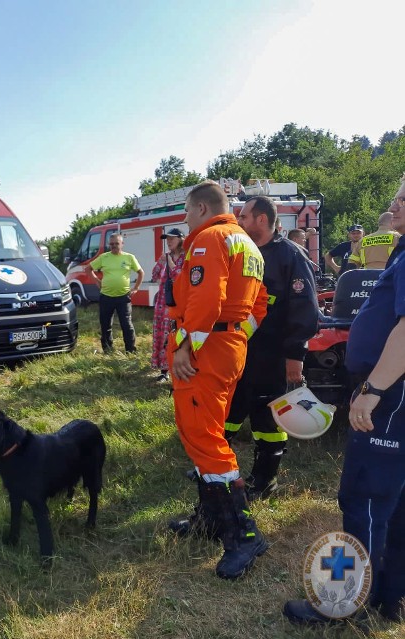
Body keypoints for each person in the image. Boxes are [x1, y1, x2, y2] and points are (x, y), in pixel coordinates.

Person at [284, 179, 405, 625]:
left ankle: (345, 605)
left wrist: (372, 391)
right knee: (396, 501)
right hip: (393, 391)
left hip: (391, 394)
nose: (392, 206)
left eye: (402, 200)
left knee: (366, 498)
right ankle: (391, 595)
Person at [166, 181, 269, 580]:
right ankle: (211, 519)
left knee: (204, 439)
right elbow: (259, 304)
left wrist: (185, 348)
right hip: (228, 348)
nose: (186, 220)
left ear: (204, 208)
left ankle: (243, 535)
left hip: (205, 352)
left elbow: (206, 298)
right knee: (209, 433)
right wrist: (238, 334)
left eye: (188, 212)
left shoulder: (210, 239)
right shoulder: (247, 243)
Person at [224, 197, 318, 500]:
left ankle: (264, 480)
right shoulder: (244, 252)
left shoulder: (289, 256)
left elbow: (304, 310)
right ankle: (217, 470)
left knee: (267, 418)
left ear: (262, 219)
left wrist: (295, 356)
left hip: (273, 354)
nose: (239, 222)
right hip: (239, 351)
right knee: (231, 408)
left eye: (244, 217)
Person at [84, 233, 144, 354]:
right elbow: (88, 269)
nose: (114, 246)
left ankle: (130, 351)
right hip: (106, 297)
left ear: (122, 244)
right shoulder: (104, 257)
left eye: (116, 243)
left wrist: (136, 288)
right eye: (111, 244)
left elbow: (140, 272)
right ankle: (108, 350)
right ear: (108, 245)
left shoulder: (129, 257)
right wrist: (96, 280)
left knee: (126, 325)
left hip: (123, 297)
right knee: (105, 325)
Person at [150, 228, 185, 383]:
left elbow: (179, 275)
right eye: (167, 239)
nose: (169, 242)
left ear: (180, 239)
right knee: (161, 334)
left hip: (177, 304)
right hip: (162, 303)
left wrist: (169, 262)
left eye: (172, 239)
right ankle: (164, 370)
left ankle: (174, 367)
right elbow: (154, 274)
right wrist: (162, 284)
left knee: (172, 335)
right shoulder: (164, 257)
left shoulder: (185, 257)